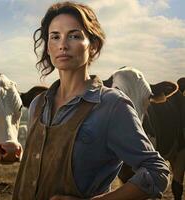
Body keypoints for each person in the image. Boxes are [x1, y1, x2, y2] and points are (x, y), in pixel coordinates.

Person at [13, 1, 170, 200]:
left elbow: (157, 172)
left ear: (93, 46)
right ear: (48, 47)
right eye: (55, 37)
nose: (62, 44)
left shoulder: (111, 105)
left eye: (74, 35)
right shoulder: (37, 104)